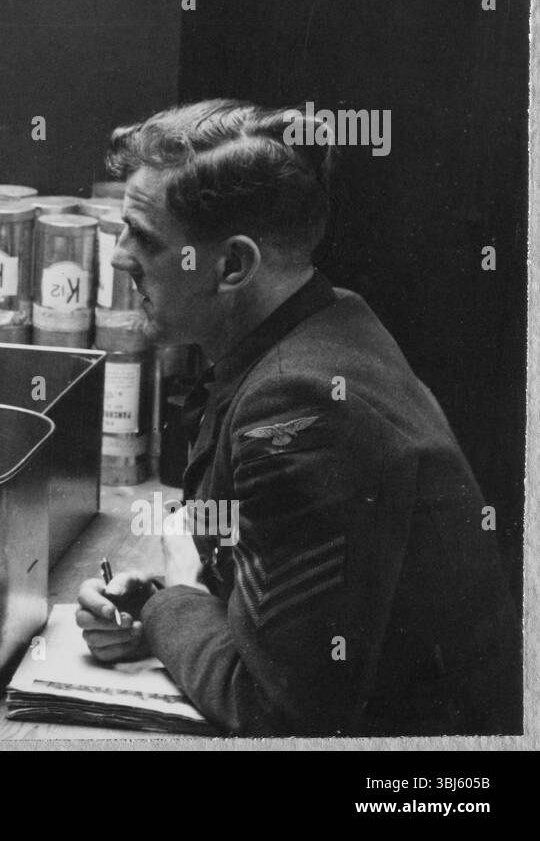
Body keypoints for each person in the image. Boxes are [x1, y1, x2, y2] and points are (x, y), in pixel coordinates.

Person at [76, 99, 520, 737]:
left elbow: (274, 711)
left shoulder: (301, 405)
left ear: (233, 266)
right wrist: (158, 605)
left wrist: (168, 606)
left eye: (143, 237)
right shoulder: (325, 322)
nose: (120, 257)